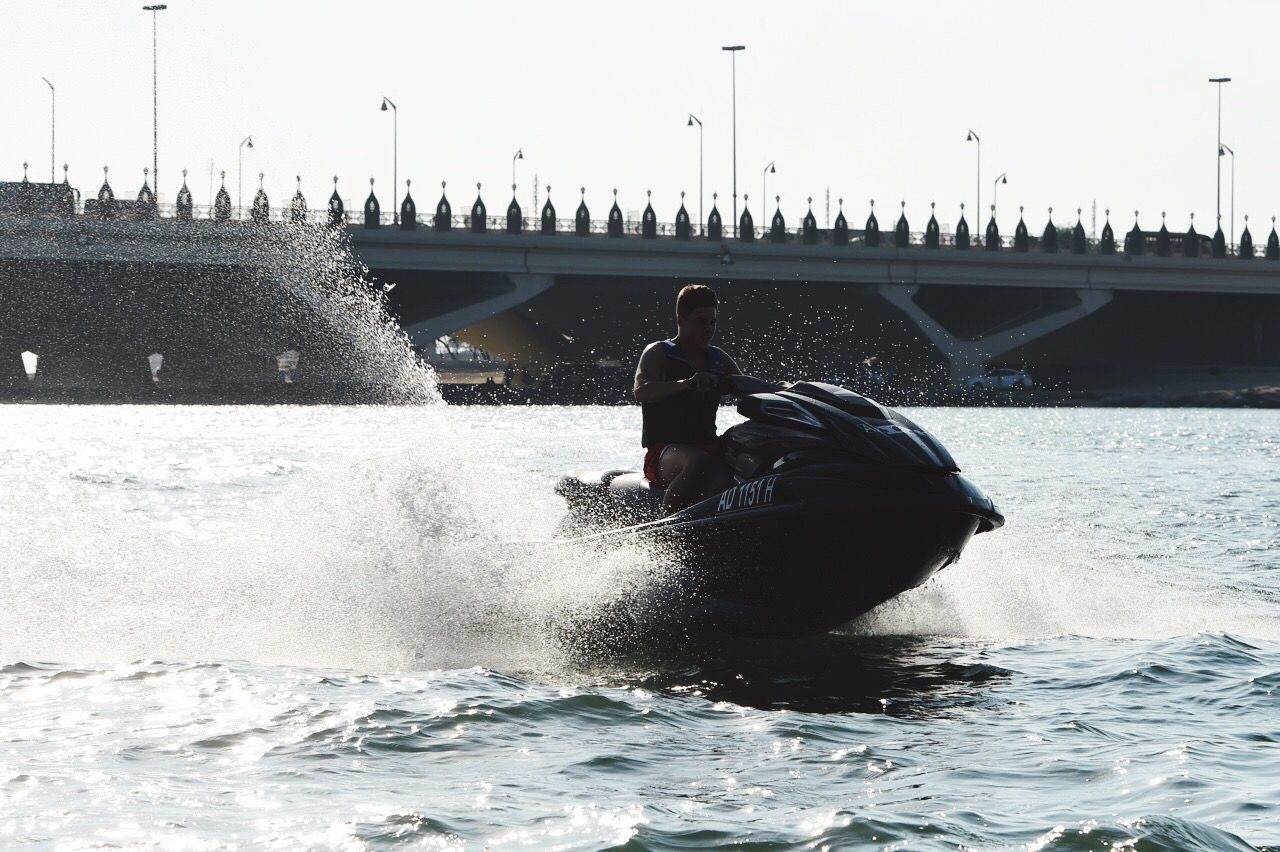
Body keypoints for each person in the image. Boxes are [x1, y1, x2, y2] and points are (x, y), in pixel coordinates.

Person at [634, 284, 741, 514]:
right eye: (700, 322)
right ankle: (668, 526)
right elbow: (642, 391)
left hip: (707, 445)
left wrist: (786, 391)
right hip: (664, 453)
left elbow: (747, 388)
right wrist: (686, 384)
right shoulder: (658, 352)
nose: (708, 329)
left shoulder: (718, 358)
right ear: (681, 320)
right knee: (698, 461)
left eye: (712, 322)